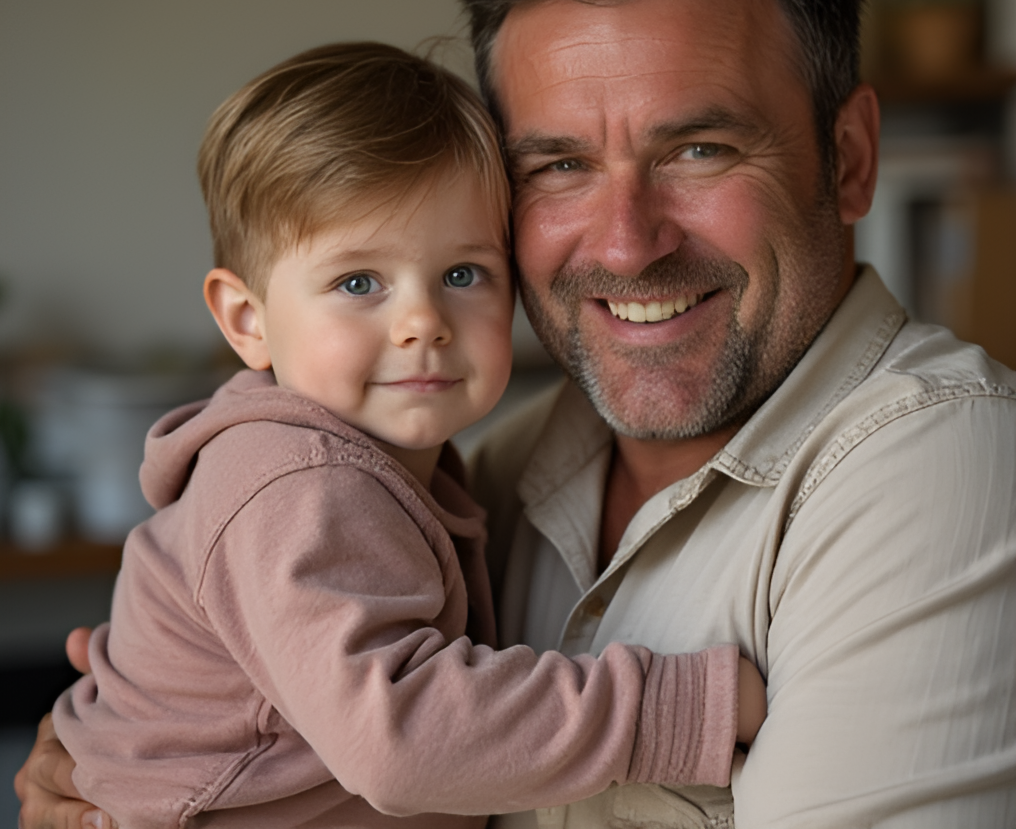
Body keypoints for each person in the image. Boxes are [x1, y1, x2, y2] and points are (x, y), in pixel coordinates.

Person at [16, 0, 1016, 829]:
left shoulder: (939, 461)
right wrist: (112, 742)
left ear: (849, 159)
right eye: (561, 165)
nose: (626, 245)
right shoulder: (483, 475)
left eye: (699, 150)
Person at [41, 41, 764, 829]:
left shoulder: (389, 469)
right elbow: (402, 741)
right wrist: (680, 711)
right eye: (358, 282)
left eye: (462, 274)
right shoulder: (297, 481)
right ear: (248, 320)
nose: (423, 322)